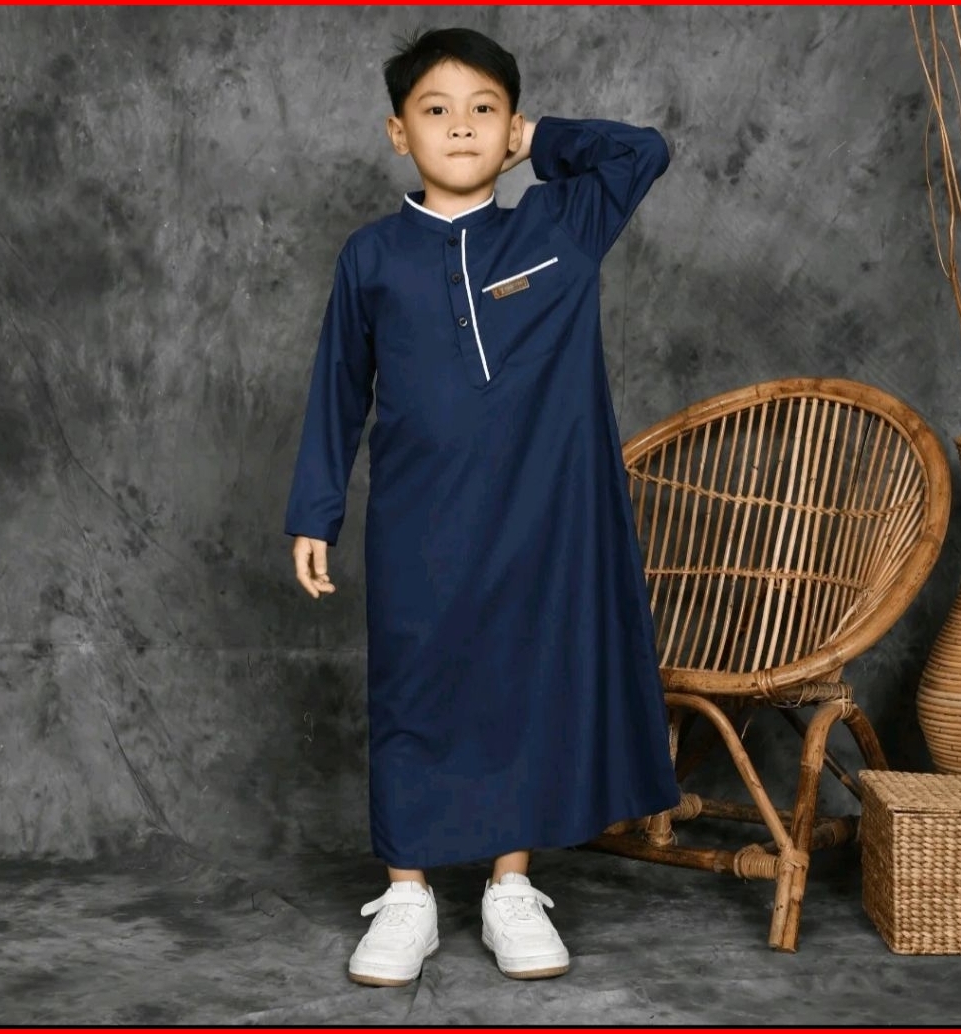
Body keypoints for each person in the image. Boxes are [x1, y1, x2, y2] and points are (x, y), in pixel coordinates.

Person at [284, 26, 679, 987]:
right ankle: (408, 893)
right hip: (419, 518)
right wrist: (314, 512)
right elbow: (338, 391)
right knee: (412, 688)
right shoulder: (372, 256)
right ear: (397, 133)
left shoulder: (561, 227)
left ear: (511, 128)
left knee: (523, 687)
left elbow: (642, 151)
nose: (460, 126)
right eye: (436, 110)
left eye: (484, 110)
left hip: (545, 520)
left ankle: (511, 885)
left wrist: (536, 139)